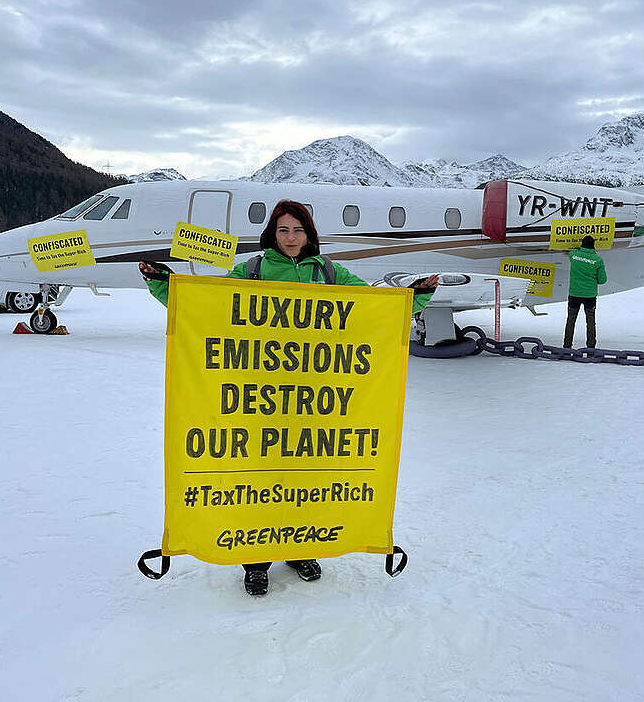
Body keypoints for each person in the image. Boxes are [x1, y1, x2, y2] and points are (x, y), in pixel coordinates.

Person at [140, 200, 437, 596]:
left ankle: (301, 549)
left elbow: (375, 311)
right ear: (272, 234)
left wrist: (414, 297)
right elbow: (205, 305)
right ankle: (255, 561)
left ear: (309, 234)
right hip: (259, 395)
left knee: (308, 476)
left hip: (315, 398)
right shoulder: (252, 271)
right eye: (283, 230)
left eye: (298, 230)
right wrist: (164, 282)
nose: (291, 238)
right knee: (258, 477)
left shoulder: (330, 273)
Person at [563, 235, 607, 349]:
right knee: (590, 322)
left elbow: (567, 251)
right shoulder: (598, 260)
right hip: (590, 296)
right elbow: (603, 280)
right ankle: (591, 347)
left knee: (571, 321)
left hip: (574, 294)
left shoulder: (574, 255)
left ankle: (567, 346)